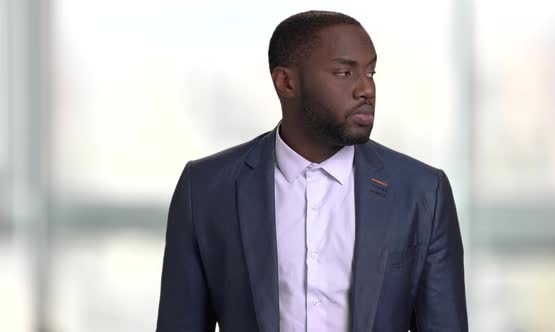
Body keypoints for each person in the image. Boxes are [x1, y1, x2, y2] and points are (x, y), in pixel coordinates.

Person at [156, 10, 468, 332]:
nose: (366, 90)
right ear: (286, 82)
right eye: (344, 73)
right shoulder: (205, 189)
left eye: (371, 73)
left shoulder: (423, 193)